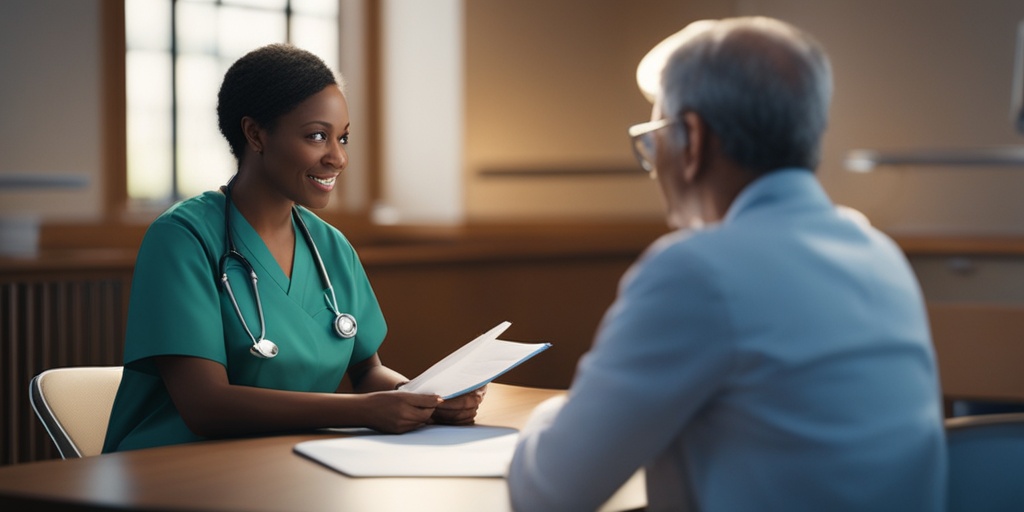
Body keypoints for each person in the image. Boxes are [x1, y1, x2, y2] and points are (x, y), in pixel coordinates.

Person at [507, 17, 946, 511]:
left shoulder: (697, 272)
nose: (655, 165)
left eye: (654, 139)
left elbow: (546, 493)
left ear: (692, 139)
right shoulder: (880, 254)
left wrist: (557, 411)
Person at [103, 44, 483, 453]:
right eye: (317, 136)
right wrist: (363, 411)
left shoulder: (330, 247)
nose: (337, 158)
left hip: (287, 462)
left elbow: (368, 373)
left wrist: (422, 399)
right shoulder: (182, 238)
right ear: (255, 134)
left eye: (343, 138)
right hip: (173, 470)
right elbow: (205, 406)